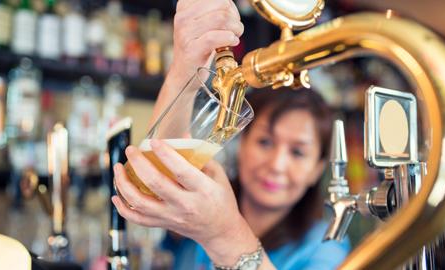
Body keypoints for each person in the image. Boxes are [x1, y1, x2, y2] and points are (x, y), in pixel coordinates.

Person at [111, 0, 350, 269]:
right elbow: (156, 180)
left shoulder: (326, 247)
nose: (276, 164)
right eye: (265, 141)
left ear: (317, 169)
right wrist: (184, 69)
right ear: (242, 143)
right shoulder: (198, 206)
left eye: (297, 152)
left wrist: (224, 235)